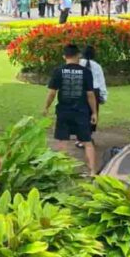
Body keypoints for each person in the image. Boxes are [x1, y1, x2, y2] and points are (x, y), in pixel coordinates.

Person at [43, 43, 99, 173]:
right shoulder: (86, 72)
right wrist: (94, 113)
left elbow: (52, 93)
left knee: (63, 141)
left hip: (63, 111)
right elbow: (90, 94)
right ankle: (92, 172)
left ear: (64, 56)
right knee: (87, 141)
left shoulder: (58, 71)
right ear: (78, 55)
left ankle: (64, 172)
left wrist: (46, 107)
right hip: (82, 112)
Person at [78, 45, 107, 150]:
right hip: (94, 92)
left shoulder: (77, 63)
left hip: (80, 92)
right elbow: (101, 82)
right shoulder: (97, 66)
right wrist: (103, 96)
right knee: (92, 114)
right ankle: (87, 137)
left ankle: (81, 139)